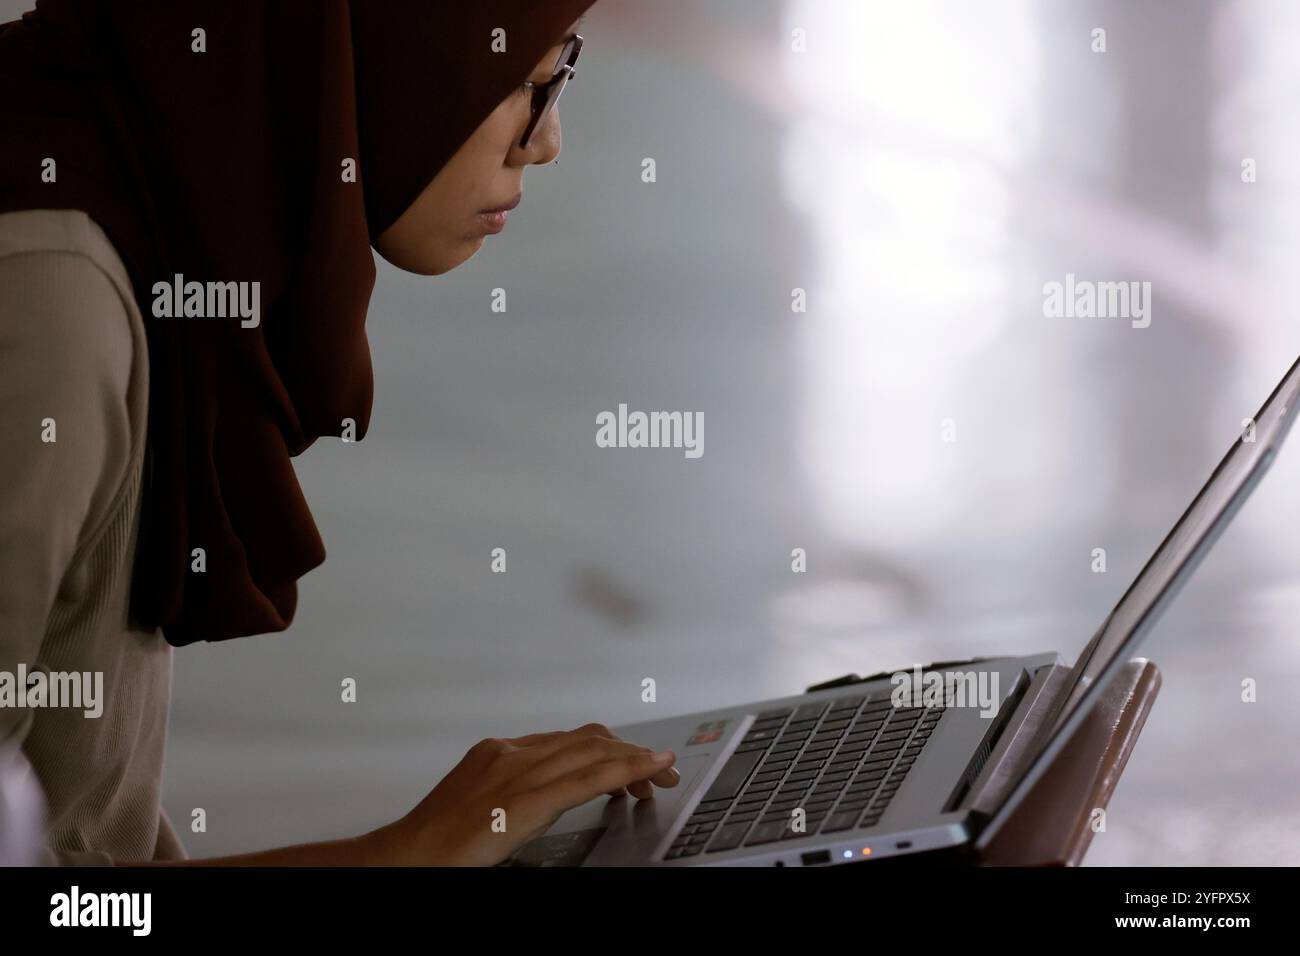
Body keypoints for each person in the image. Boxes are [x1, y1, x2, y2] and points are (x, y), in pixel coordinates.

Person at [0, 0, 679, 867]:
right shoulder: (49, 317)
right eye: (530, 83)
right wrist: (401, 857)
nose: (544, 142)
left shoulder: (126, 186)